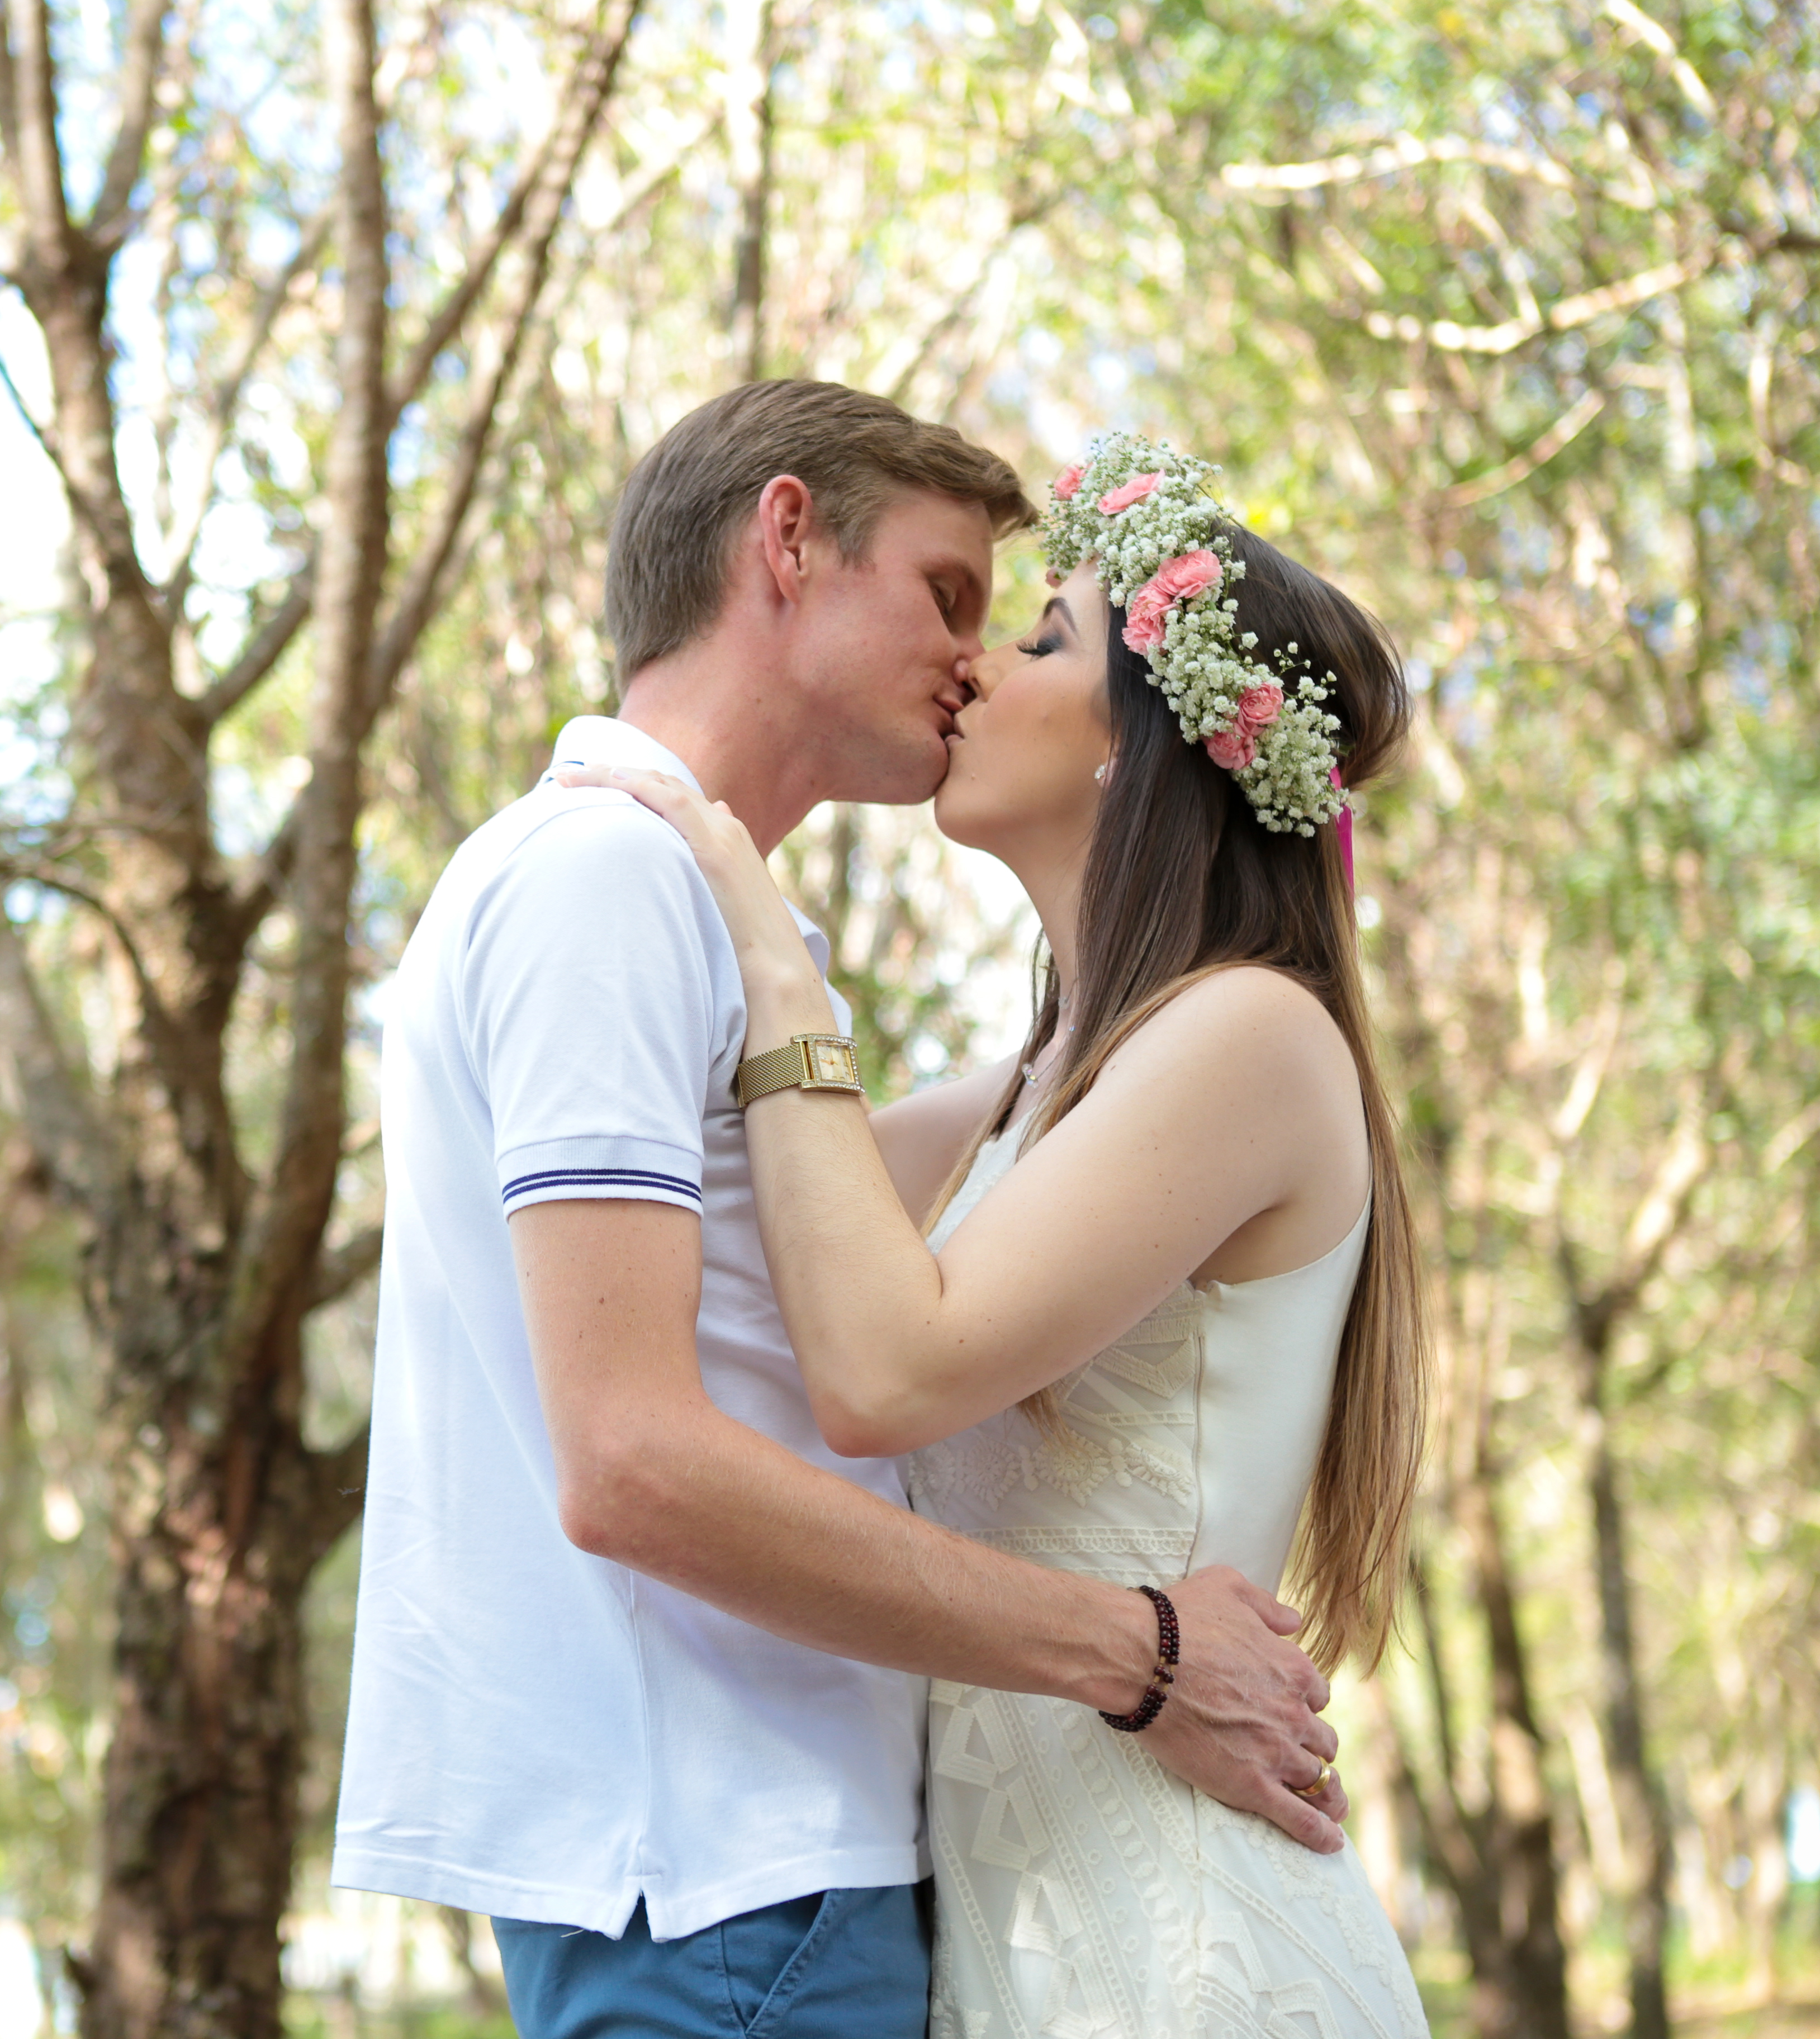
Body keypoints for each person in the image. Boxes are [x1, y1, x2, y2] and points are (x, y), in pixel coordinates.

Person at [331, 385, 1350, 2039]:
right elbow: (635, 1459)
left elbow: (886, 1250)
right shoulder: (612, 881)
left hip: (794, 1884)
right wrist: (1138, 1651)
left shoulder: (686, 909)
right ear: (788, 540)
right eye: (953, 599)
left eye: (1019, 631)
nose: (971, 658)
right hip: (731, 1884)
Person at [563, 427, 1433, 2035]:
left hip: (1178, 1955)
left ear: (1137, 752)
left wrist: (770, 949)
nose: (973, 668)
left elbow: (887, 1370)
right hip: (1006, 1945)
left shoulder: (1252, 1039)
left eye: (1039, 637)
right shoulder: (1033, 1100)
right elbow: (725, 1235)